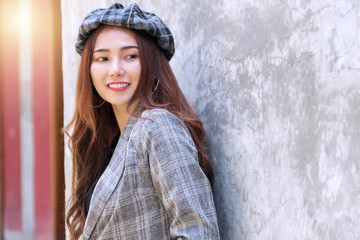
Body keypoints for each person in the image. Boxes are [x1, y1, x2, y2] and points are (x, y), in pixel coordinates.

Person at [64, 3, 220, 239]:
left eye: (130, 56)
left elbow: (198, 232)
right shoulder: (106, 140)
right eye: (103, 58)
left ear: (151, 64)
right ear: (89, 69)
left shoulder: (158, 127)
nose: (115, 69)